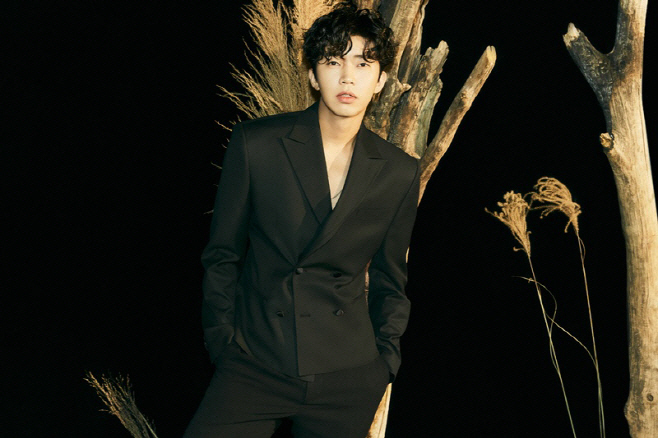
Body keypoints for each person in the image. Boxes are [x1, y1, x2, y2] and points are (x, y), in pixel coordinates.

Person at [184, 2, 419, 437]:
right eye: (332, 62)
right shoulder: (257, 144)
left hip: (347, 376)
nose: (347, 77)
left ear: (381, 81)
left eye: (363, 64)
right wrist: (223, 343)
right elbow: (222, 255)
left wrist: (384, 364)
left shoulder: (399, 171)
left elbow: (392, 279)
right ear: (312, 75)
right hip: (255, 364)